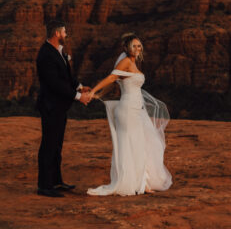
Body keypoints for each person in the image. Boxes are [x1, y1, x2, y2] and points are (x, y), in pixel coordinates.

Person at [82, 33, 172, 196]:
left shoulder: (133, 62)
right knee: (131, 144)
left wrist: (100, 95)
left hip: (136, 109)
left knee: (140, 144)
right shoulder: (125, 62)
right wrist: (94, 91)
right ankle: (134, 183)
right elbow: (112, 77)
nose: (137, 49)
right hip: (128, 109)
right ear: (126, 48)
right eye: (134, 46)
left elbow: (116, 81)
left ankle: (142, 182)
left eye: (139, 46)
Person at [35, 19, 90, 198]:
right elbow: (55, 84)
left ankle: (56, 181)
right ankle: (44, 186)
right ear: (57, 33)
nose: (66, 35)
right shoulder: (46, 55)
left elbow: (66, 77)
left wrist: (80, 86)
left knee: (57, 145)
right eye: (64, 32)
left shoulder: (58, 52)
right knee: (49, 145)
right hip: (50, 106)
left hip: (59, 107)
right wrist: (78, 97)